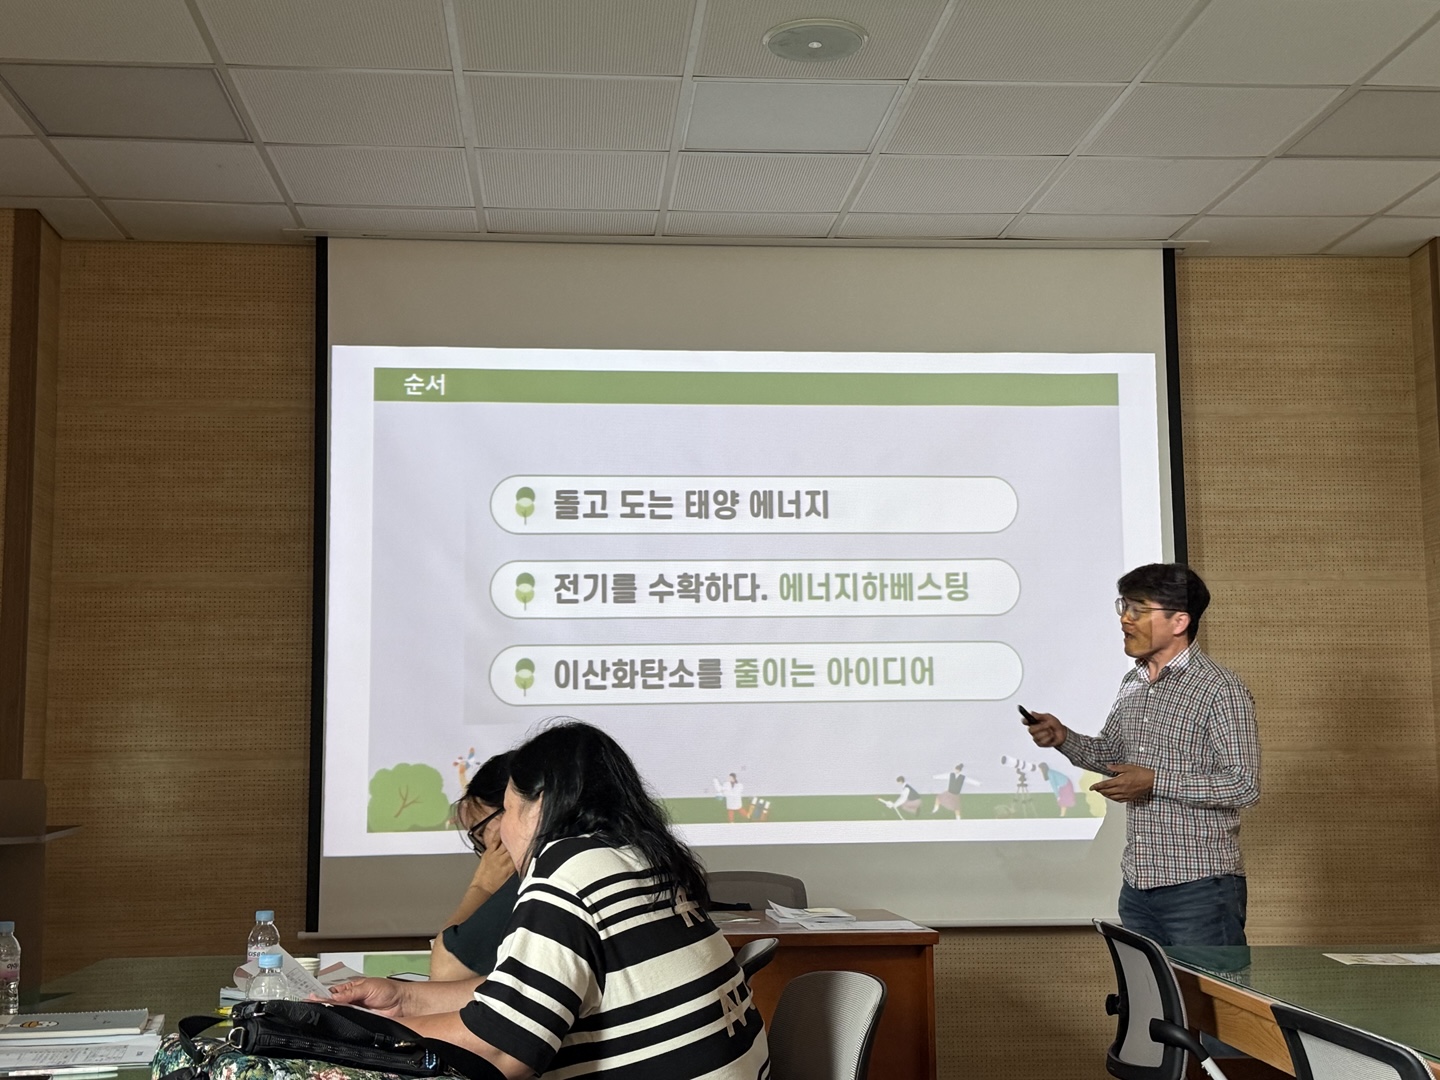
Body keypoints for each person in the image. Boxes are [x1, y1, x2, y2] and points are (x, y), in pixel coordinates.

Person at [331, 720, 769, 1080]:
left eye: (507, 810)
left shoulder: (565, 868)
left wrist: (360, 1032)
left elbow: (502, 1049)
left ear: (538, 804)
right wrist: (404, 999)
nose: (500, 836)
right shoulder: (636, 856)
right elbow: (526, 994)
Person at [1026, 563, 1260, 946]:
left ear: (1179, 621)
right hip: (1138, 888)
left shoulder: (1220, 689)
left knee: (1203, 989)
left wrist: (1154, 781)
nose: (1125, 619)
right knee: (1147, 988)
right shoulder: (1132, 683)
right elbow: (1112, 755)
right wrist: (1063, 738)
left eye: (1138, 609)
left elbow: (1243, 785)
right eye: (1124, 607)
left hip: (1201, 888)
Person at [430, 752, 518, 981]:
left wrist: (483, 887)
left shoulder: (535, 878)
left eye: (481, 832)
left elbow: (446, 975)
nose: (484, 851)